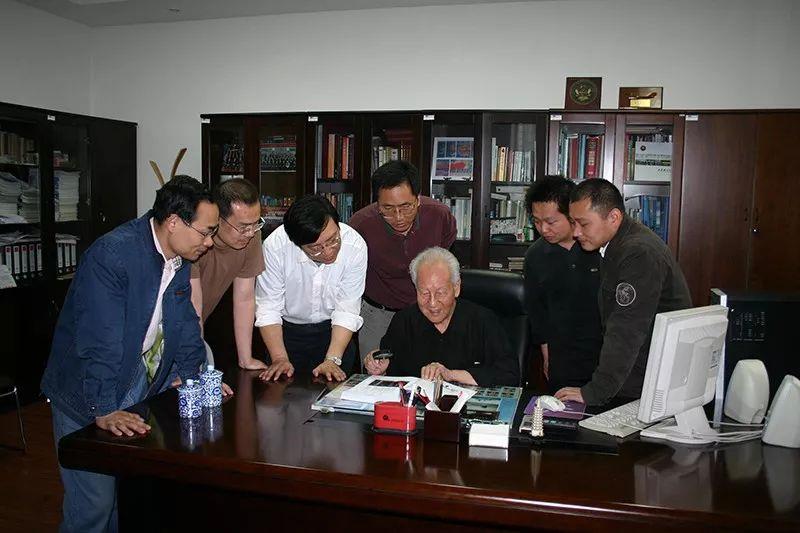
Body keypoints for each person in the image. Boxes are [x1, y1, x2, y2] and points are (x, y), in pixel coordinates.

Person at [41, 175, 220, 533]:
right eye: (206, 232)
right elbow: (101, 341)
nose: (210, 242)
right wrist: (104, 409)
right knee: (93, 505)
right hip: (86, 386)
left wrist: (198, 378)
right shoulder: (113, 255)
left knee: (122, 499)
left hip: (128, 378)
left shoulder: (178, 257)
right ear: (173, 221)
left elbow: (185, 322)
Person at [556, 179, 692, 406]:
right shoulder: (619, 244)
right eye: (573, 222)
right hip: (639, 374)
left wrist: (595, 392)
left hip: (650, 382)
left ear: (614, 217)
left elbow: (626, 330)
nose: (576, 232)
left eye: (583, 224)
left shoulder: (638, 253)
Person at [349, 161, 456, 362]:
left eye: (406, 207)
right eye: (387, 209)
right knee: (375, 374)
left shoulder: (439, 215)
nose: (398, 217)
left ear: (418, 199)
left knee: (432, 373)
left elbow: (444, 260)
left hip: (428, 311)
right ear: (377, 203)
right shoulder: (361, 225)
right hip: (378, 314)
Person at [364, 247, 519, 386]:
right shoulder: (404, 321)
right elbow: (391, 368)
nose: (432, 303)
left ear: (456, 288)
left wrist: (450, 375)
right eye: (424, 293)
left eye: (440, 293)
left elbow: (509, 374)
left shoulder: (483, 320)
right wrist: (380, 368)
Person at [255, 194, 367, 382]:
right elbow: (268, 307)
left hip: (334, 334)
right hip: (285, 334)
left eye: (333, 240)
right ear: (297, 244)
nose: (328, 251)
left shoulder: (354, 245)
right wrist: (279, 358)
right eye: (315, 248)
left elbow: (347, 309)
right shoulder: (276, 246)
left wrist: (332, 359)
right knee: (281, 394)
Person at [523, 176, 603, 393]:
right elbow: (538, 313)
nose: (543, 229)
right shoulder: (535, 256)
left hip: (605, 355)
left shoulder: (597, 247)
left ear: (571, 214)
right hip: (563, 358)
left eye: (551, 222)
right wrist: (547, 357)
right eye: (536, 221)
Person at [190, 178, 267, 370]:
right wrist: (197, 367)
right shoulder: (196, 240)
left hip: (196, 325)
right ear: (218, 218)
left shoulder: (250, 236)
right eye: (243, 227)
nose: (250, 233)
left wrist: (246, 359)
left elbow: (245, 298)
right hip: (167, 329)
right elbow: (193, 306)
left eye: (256, 224)